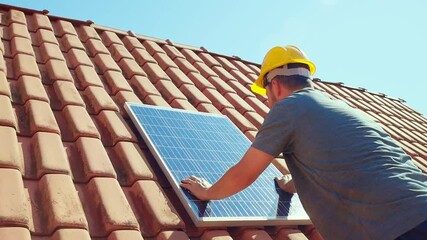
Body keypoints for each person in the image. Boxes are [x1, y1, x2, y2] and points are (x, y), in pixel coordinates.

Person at [180, 45, 427, 240]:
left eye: (266, 93)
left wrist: (207, 192)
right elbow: (344, 164)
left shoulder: (289, 108)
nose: (267, 101)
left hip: (397, 228)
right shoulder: (337, 107)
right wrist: (292, 183)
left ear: (274, 86)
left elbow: (244, 174)